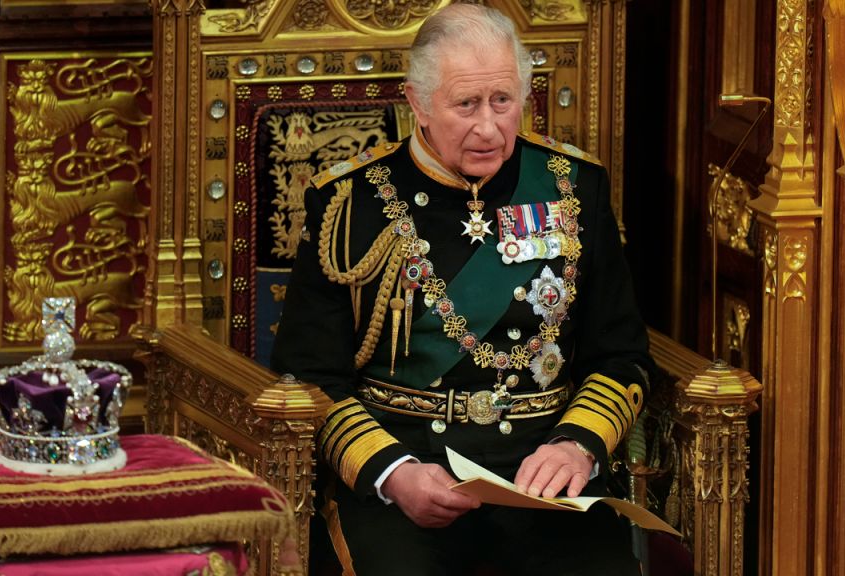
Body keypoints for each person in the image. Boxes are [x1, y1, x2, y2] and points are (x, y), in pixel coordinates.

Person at [272, 4, 652, 574]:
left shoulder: (574, 187)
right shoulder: (349, 204)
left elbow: (621, 355)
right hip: (407, 472)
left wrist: (577, 444)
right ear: (418, 102)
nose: (489, 127)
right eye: (466, 104)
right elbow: (310, 377)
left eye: (503, 100)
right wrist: (392, 474)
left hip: (544, 475)